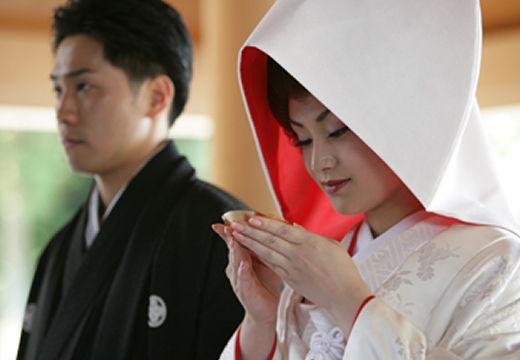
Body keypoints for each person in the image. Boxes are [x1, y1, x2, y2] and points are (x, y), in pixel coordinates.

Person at [213, 0, 520, 359]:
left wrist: (348, 299)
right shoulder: (324, 261)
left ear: (406, 120)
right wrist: (262, 322)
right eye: (304, 139)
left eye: (338, 131)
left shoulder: (496, 261)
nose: (319, 161)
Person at [16, 0, 247, 359]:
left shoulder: (221, 237)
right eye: (59, 90)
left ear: (156, 96)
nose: (63, 112)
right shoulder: (59, 250)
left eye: (84, 87)